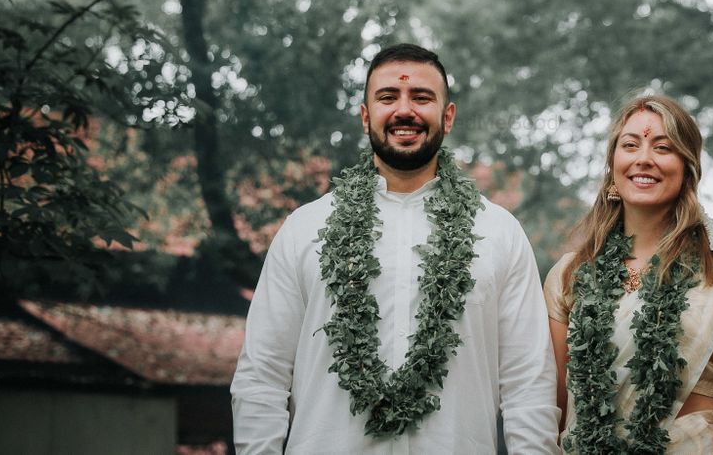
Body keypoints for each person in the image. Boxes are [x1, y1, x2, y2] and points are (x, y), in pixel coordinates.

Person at [231, 43, 561, 454]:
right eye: (388, 97)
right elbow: (262, 376)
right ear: (366, 116)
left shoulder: (499, 233)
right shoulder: (306, 229)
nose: (405, 111)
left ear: (448, 115)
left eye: (422, 97)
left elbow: (528, 383)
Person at [543, 95, 713, 454]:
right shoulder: (571, 275)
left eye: (663, 147)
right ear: (613, 165)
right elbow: (556, 408)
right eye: (630, 145)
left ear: (687, 168)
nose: (644, 158)